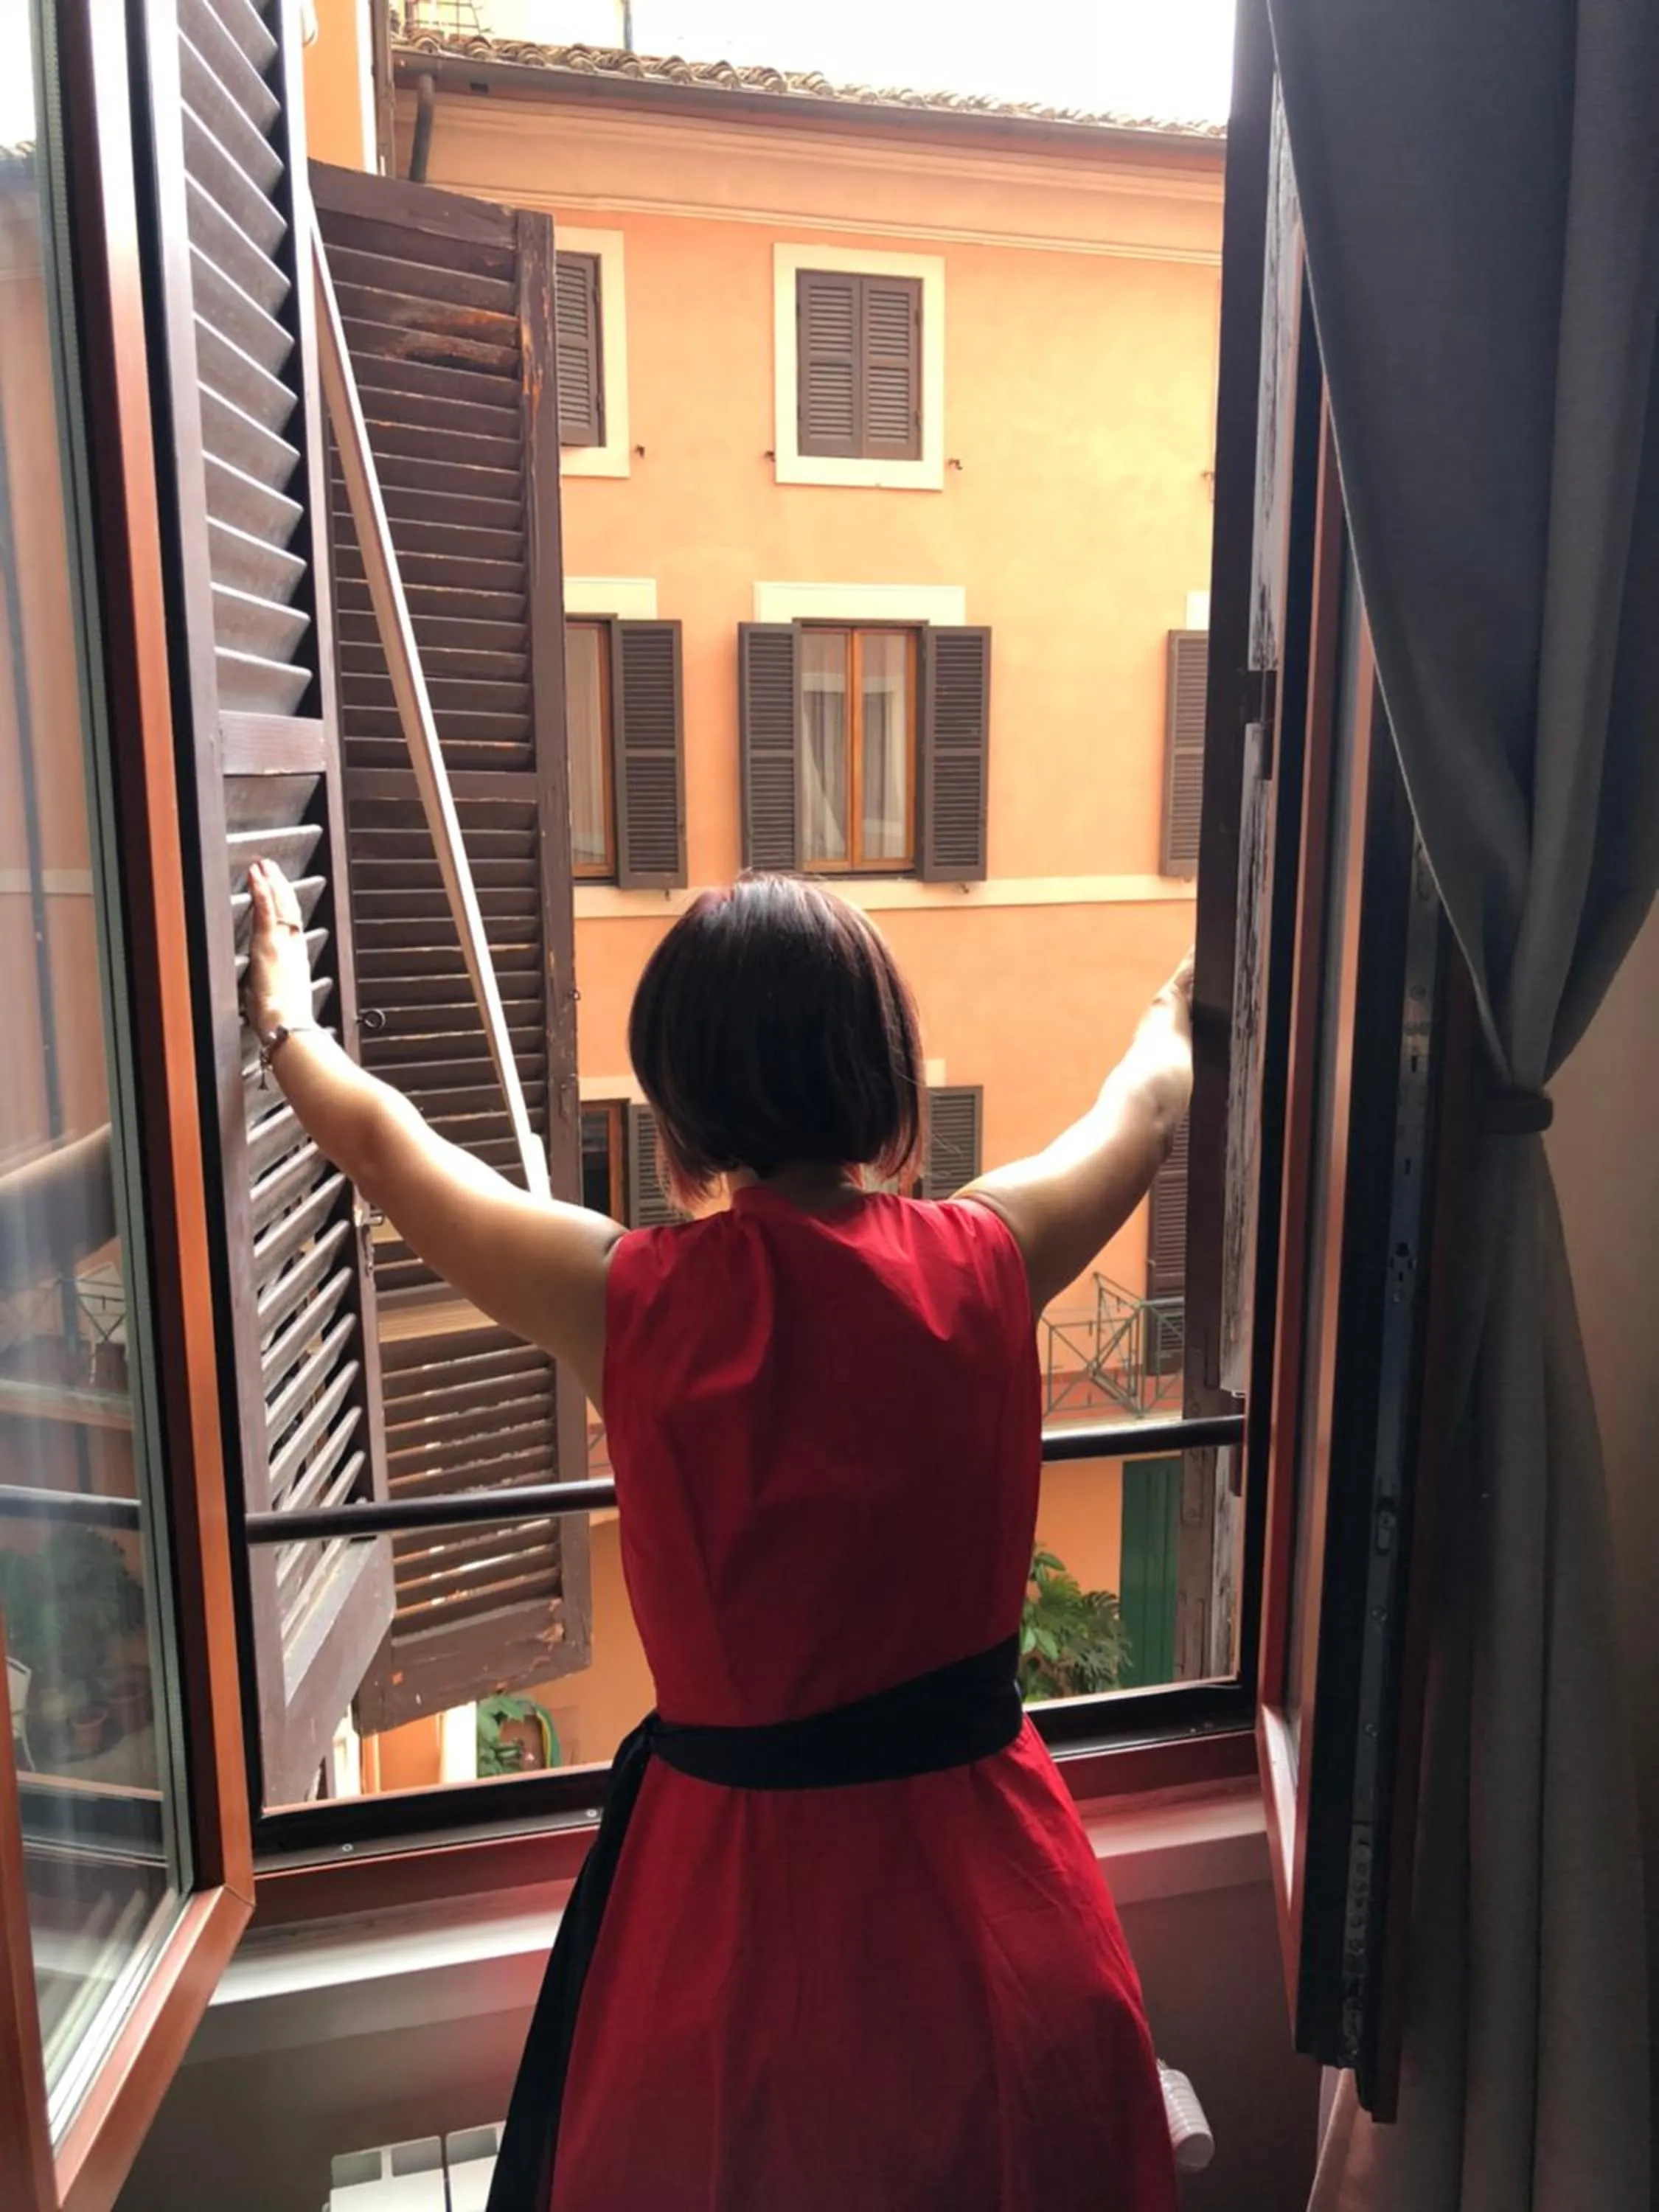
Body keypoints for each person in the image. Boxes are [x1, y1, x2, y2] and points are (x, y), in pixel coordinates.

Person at [245, 860, 1193, 2212]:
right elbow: (1146, 1102)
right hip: (996, 1903)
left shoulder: (626, 1299)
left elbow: (391, 1150)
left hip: (729, 1919)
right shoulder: (991, 1256)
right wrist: (1193, 986)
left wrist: (285, 1019)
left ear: (676, 1109)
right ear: (883, 1075)